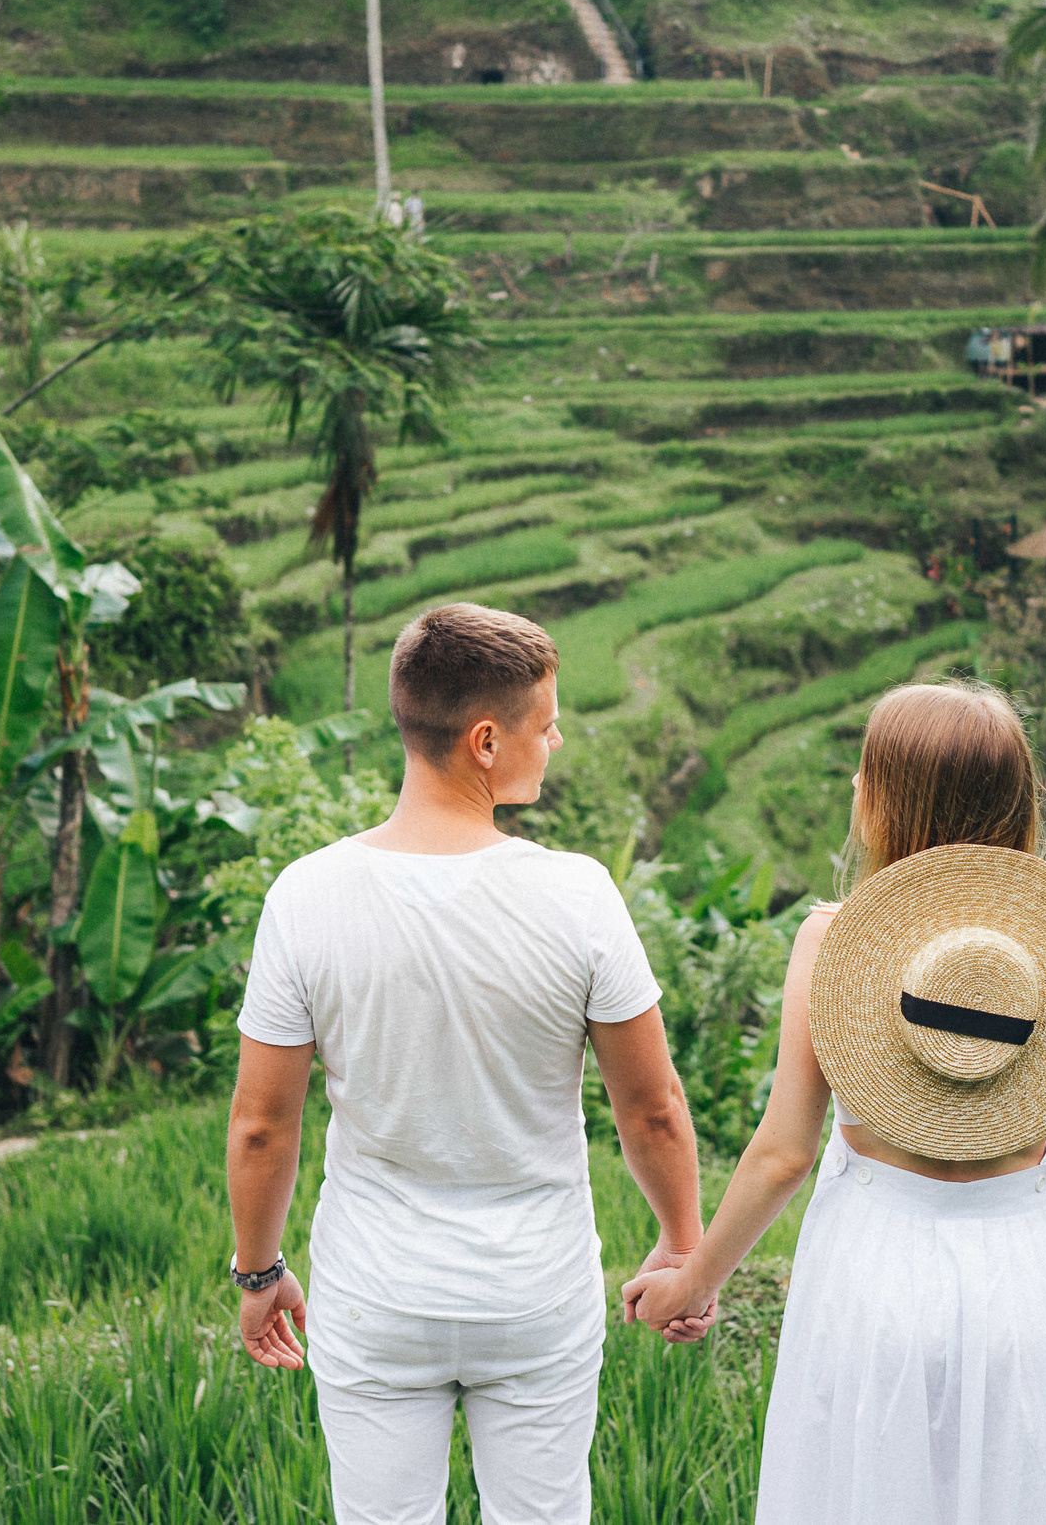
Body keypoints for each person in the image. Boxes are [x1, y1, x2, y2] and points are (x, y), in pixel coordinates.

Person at [225, 602, 707, 1525]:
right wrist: (683, 1246)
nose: (556, 739)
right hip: (534, 1295)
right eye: (544, 723)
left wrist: (258, 1272)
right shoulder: (577, 895)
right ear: (486, 741)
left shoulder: (306, 894)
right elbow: (653, 1108)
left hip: (375, 1294)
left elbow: (261, 1125)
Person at [624, 680, 1046, 1524]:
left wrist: (695, 1279)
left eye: (867, 773)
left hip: (876, 1275)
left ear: (889, 802)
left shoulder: (835, 942)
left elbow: (784, 1152)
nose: (855, 785)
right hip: (1034, 1280)